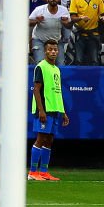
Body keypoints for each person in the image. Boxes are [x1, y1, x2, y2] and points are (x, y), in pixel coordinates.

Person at [29, 38, 69, 181]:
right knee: (40, 139)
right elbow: (36, 90)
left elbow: (57, 92)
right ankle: (33, 172)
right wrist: (41, 110)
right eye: (50, 49)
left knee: (49, 140)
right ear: (45, 51)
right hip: (44, 109)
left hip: (55, 110)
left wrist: (63, 112)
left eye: (55, 49)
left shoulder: (56, 69)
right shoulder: (41, 67)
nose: (53, 52)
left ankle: (44, 172)